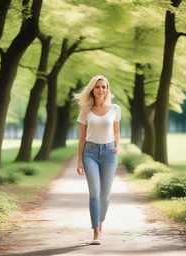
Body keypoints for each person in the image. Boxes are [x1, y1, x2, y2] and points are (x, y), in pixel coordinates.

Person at [74, 75, 121, 245]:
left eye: (104, 87)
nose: (101, 90)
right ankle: (96, 233)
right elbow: (81, 138)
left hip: (109, 153)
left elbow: (116, 132)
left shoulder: (115, 109)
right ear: (92, 90)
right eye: (98, 87)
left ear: (107, 89)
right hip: (90, 153)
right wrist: (79, 161)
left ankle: (101, 226)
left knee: (105, 195)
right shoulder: (85, 111)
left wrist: (118, 145)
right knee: (94, 193)